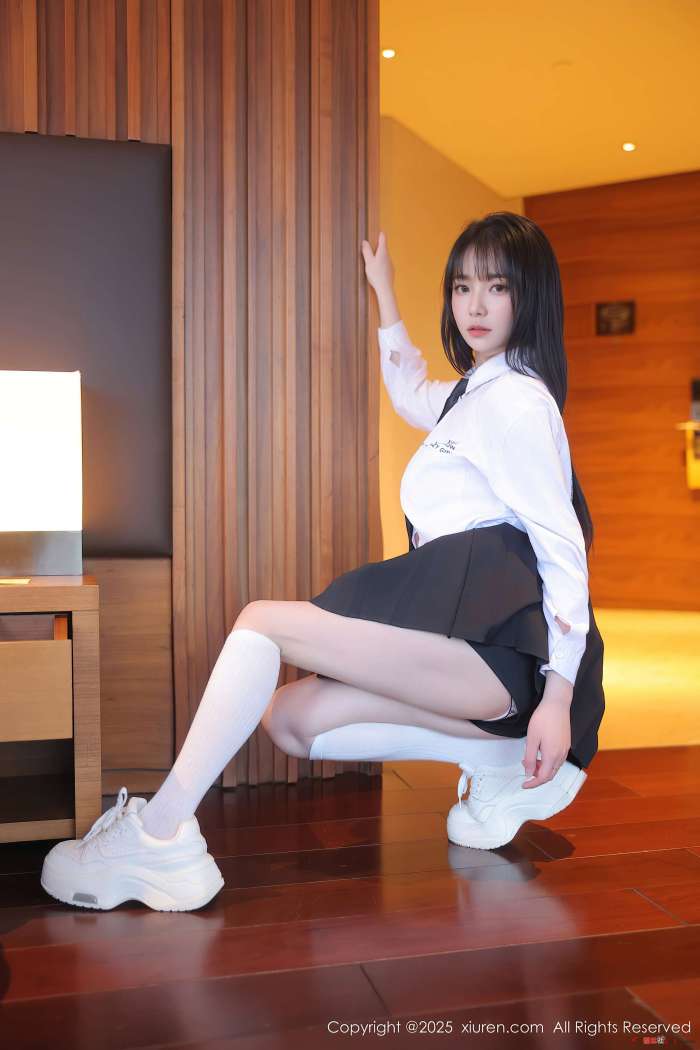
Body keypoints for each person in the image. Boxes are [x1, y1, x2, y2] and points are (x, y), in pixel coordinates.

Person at [41, 212, 605, 912]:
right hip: (462, 643)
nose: (476, 305)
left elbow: (562, 547)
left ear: (531, 294)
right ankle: (498, 761)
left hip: (501, 652)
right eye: (462, 287)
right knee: (291, 719)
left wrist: (558, 698)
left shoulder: (518, 402)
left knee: (261, 623)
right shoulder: (474, 393)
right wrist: (385, 293)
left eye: (497, 286)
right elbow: (410, 393)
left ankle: (159, 836)